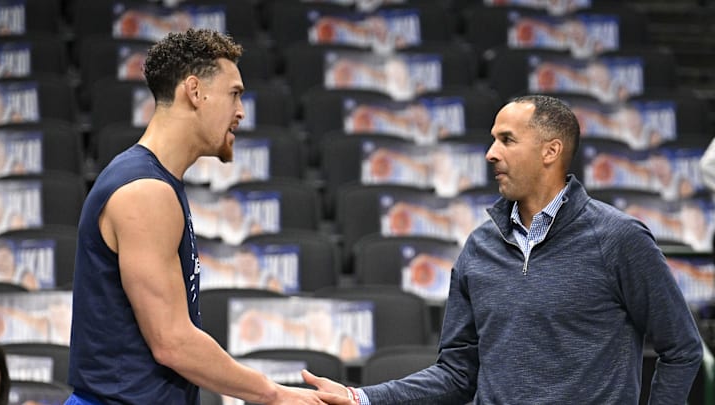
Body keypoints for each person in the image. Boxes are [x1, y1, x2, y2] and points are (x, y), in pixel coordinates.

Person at [303, 95, 703, 404]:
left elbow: (682, 349)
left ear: (551, 151)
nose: (490, 153)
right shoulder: (479, 247)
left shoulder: (619, 239)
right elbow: (458, 374)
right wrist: (362, 397)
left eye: (506, 140)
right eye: (493, 139)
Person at [66, 28, 355, 405]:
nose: (240, 111)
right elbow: (172, 342)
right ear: (194, 91)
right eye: (234, 93)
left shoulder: (156, 182)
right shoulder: (144, 190)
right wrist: (274, 395)